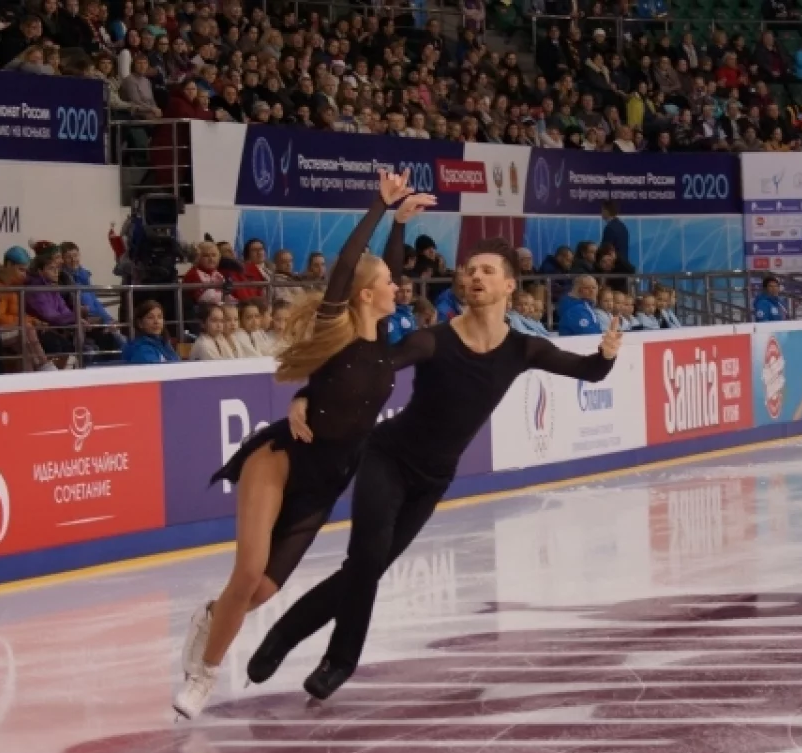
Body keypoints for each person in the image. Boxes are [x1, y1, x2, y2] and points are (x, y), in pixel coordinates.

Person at [244, 238, 622, 700]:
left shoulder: (523, 349)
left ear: (509, 286)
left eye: (487, 271)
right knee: (365, 560)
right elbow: (370, 368)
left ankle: (283, 633)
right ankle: (337, 661)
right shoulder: (433, 340)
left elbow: (590, 372)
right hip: (387, 458)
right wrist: (308, 394)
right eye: (470, 270)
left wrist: (607, 353)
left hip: (434, 479)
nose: (475, 276)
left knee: (369, 568)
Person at [172, 171, 435, 719]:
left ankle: (211, 617)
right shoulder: (336, 324)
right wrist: (379, 205)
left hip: (325, 486)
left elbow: (385, 268)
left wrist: (400, 227)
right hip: (283, 460)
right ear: (365, 294)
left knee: (262, 591)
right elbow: (348, 266)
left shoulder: (382, 342)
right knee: (248, 573)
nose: (398, 287)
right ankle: (203, 676)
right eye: (388, 282)